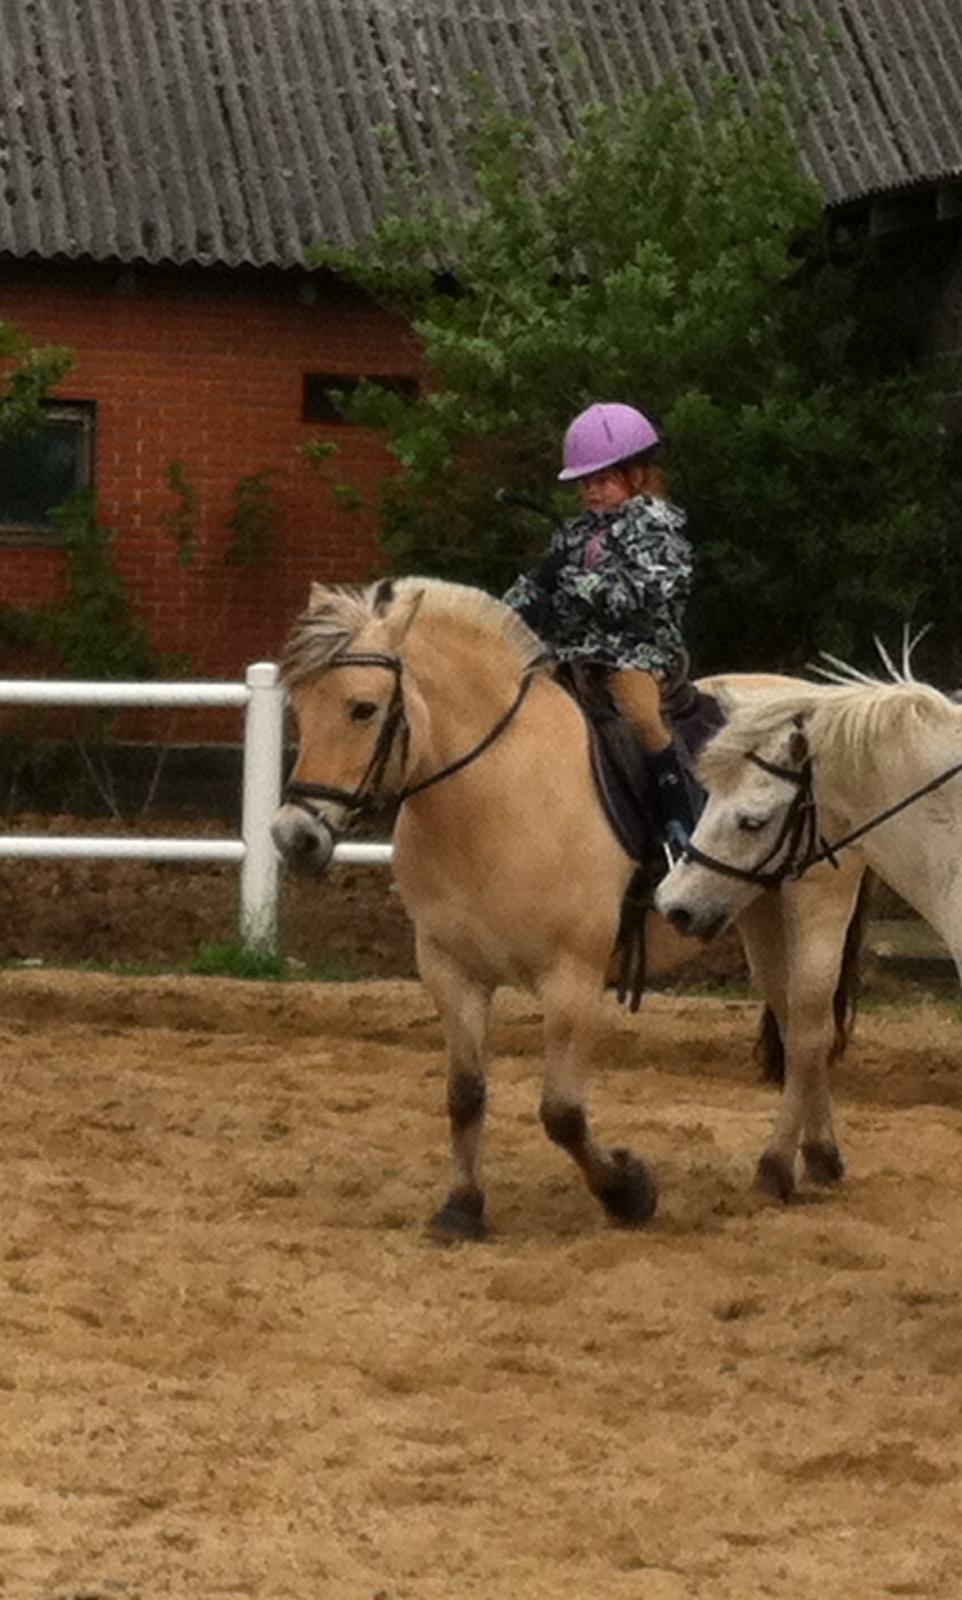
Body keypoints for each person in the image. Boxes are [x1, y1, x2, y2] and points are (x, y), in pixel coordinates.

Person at [503, 400, 698, 853]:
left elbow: (639, 595)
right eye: (586, 483)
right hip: (570, 657)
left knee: (641, 716)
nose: (593, 491)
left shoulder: (658, 528)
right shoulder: (572, 533)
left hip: (634, 656)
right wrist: (514, 605)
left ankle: (679, 825)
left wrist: (569, 582)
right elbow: (537, 588)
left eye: (604, 480)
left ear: (636, 477)